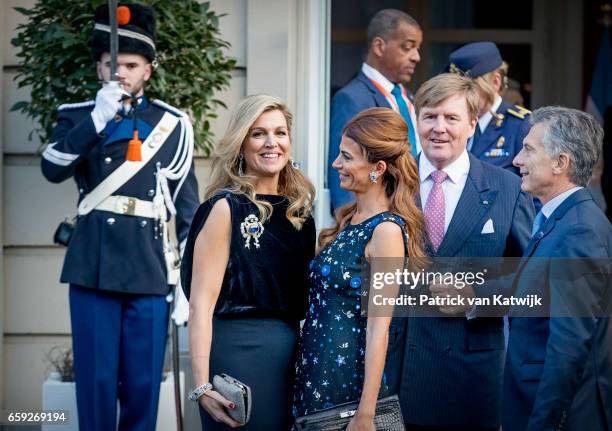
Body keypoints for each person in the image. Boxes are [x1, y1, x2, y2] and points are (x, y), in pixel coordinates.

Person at [40, 4, 199, 430]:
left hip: (148, 270)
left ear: (148, 69)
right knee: (94, 383)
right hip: (93, 265)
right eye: (113, 64)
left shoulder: (173, 124)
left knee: (143, 386)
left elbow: (187, 208)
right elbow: (52, 168)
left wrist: (187, 284)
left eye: (131, 65)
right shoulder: (76, 117)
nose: (121, 73)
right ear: (99, 68)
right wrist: (97, 118)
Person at [384, 74, 534, 430]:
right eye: (430, 116)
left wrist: (475, 297)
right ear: (415, 121)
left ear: (471, 124)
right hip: (395, 375)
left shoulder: (507, 188)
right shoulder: (389, 183)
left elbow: (534, 281)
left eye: (451, 118)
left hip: (471, 381)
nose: (439, 128)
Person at [181, 94, 316, 430]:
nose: (272, 143)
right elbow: (200, 305)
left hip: (291, 357)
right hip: (237, 354)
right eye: (258, 134)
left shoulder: (300, 214)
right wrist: (201, 386)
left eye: (280, 133)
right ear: (242, 144)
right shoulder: (226, 208)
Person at [294, 108, 426, 430]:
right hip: (315, 371)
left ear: (377, 169)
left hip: (347, 385)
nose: (336, 164)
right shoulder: (347, 220)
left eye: (346, 157)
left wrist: (366, 412)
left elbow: (379, 329)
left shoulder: (387, 232)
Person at [503, 107, 612, 431]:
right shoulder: (561, 218)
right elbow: (534, 286)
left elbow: (569, 346)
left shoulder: (581, 230)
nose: (517, 160)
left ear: (560, 163)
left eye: (528, 150)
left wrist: (544, 424)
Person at [329, 9, 423, 213]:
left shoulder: (409, 97)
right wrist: (351, 229)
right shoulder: (351, 98)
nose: (417, 57)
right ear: (379, 46)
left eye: (417, 48)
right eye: (407, 47)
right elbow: (343, 175)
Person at [447, 41, 531, 176]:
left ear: (495, 83)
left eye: (470, 87)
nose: (461, 95)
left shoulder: (521, 125)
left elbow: (536, 189)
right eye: (456, 89)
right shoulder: (453, 123)